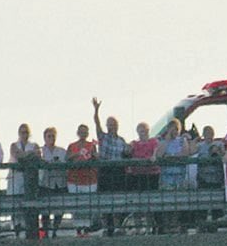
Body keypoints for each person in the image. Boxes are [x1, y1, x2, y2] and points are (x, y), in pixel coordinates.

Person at [93, 97, 130, 235]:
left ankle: (117, 227)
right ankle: (107, 228)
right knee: (105, 200)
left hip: (119, 173)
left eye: (113, 124)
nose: (110, 126)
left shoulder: (121, 141)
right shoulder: (103, 137)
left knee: (118, 201)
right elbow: (96, 124)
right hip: (105, 172)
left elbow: (127, 153)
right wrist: (96, 111)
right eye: (108, 124)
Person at [155, 118, 194, 234]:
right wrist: (167, 141)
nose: (175, 131)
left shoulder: (182, 140)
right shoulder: (162, 142)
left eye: (177, 129)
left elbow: (185, 154)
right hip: (167, 178)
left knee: (178, 203)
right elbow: (159, 155)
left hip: (180, 178)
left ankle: (176, 225)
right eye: (172, 129)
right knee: (167, 203)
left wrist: (171, 155)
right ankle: (167, 226)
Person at [66, 124, 99, 236]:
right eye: (81, 131)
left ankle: (87, 228)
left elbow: (96, 159)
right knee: (76, 205)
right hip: (74, 179)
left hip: (89, 179)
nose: (83, 133)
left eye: (85, 131)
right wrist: (77, 154)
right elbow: (67, 159)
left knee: (87, 205)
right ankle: (78, 228)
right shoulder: (72, 146)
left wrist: (94, 155)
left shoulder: (91, 145)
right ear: (77, 132)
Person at [194, 125, 226, 232]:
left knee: (216, 204)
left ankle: (214, 225)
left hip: (216, 178)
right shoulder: (200, 146)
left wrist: (219, 152)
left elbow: (224, 156)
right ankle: (202, 226)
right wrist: (194, 141)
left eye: (211, 134)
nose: (209, 136)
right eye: (207, 134)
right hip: (203, 178)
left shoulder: (219, 144)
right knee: (203, 203)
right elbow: (190, 152)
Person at [37, 127, 67, 237]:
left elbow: (65, 164)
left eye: (53, 136)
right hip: (45, 183)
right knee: (45, 209)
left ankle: (55, 230)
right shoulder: (40, 151)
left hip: (59, 183)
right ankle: (45, 232)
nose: (51, 138)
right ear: (44, 138)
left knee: (59, 208)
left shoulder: (62, 151)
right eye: (49, 136)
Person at [127, 122, 160, 202]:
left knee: (151, 197)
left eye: (144, 131)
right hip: (138, 175)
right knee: (139, 198)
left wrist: (154, 156)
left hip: (151, 174)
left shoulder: (153, 141)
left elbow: (156, 150)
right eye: (140, 131)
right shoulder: (135, 143)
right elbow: (128, 152)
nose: (143, 133)